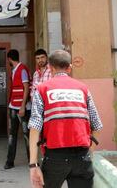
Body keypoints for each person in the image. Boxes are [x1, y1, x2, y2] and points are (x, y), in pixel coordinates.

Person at [28, 50, 102, 188]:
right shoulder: (83, 89)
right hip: (82, 157)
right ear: (69, 68)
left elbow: (34, 127)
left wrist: (33, 165)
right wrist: (89, 152)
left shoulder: (42, 89)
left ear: (50, 68)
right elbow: (97, 125)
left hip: (54, 158)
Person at [4, 49, 31, 169]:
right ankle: (10, 161)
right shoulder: (15, 70)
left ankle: (32, 161)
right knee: (12, 135)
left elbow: (26, 88)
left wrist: (22, 106)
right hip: (13, 107)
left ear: (9, 59)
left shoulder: (22, 69)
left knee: (27, 135)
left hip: (21, 108)